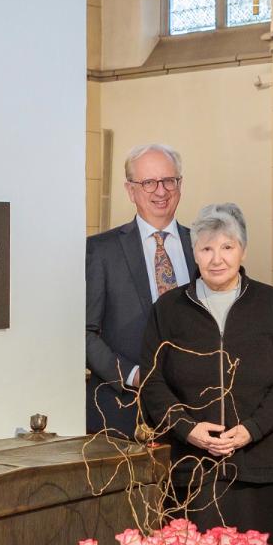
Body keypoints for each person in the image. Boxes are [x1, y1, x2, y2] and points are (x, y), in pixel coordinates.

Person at [139, 203, 273, 545]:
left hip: (259, 467)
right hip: (195, 470)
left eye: (227, 247)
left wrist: (252, 428)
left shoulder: (272, 303)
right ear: (193, 253)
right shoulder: (170, 308)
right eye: (206, 249)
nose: (217, 259)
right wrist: (186, 429)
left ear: (243, 251)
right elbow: (152, 380)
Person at [85, 144, 197, 437]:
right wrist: (133, 375)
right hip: (123, 411)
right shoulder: (101, 251)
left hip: (193, 412)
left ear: (180, 185)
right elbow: (84, 332)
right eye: (148, 182)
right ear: (131, 190)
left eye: (168, 180)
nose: (160, 191)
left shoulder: (201, 246)